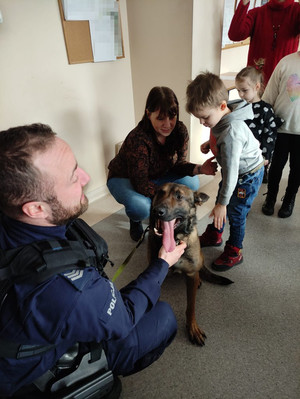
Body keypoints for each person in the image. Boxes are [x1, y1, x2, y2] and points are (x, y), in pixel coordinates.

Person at [0, 123, 187, 398]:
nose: (86, 178)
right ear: (36, 208)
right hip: (31, 374)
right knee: (164, 318)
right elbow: (123, 318)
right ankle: (95, 378)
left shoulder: (11, 212)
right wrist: (162, 264)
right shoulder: (69, 290)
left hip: (22, 334)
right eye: (73, 177)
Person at [107, 86, 218, 242]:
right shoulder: (138, 139)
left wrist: (200, 168)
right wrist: (168, 200)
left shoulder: (180, 130)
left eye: (172, 117)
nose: (168, 124)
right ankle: (135, 219)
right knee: (141, 207)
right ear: (148, 114)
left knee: (191, 182)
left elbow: (179, 164)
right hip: (124, 178)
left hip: (158, 174)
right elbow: (141, 183)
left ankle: (163, 213)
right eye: (160, 118)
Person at [185, 72, 264, 271]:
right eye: (199, 118)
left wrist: (222, 204)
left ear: (221, 106)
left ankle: (235, 250)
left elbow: (231, 175)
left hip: (247, 176)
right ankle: (215, 233)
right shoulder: (220, 118)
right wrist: (208, 144)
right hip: (235, 171)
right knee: (224, 200)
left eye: (204, 118)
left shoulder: (231, 134)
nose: (202, 123)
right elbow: (218, 136)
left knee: (235, 212)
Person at [261, 51, 300, 218]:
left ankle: (289, 200)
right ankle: (270, 198)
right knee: (276, 166)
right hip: (281, 128)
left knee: (297, 170)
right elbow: (269, 95)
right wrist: (265, 123)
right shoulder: (286, 62)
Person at [228, 0, 300, 85]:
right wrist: (244, 2)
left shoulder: (297, 11)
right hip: (256, 86)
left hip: (284, 84)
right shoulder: (257, 13)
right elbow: (235, 35)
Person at [235, 66, 284, 183]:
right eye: (238, 90)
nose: (240, 94)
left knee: (251, 183)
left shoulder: (265, 110)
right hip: (240, 153)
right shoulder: (239, 108)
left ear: (256, 87)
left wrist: (266, 155)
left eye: (244, 90)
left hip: (257, 156)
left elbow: (270, 134)